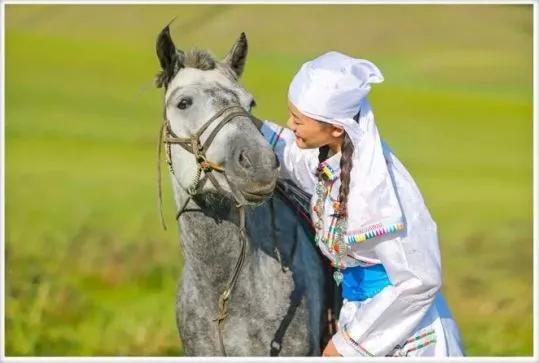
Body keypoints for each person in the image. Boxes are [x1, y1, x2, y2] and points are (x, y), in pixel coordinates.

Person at [258, 51, 464, 357]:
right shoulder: (332, 157)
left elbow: (420, 280)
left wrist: (348, 345)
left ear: (336, 128)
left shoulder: (378, 192)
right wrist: (240, 123)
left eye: (298, 120)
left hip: (405, 333)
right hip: (360, 314)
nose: (290, 124)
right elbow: (292, 156)